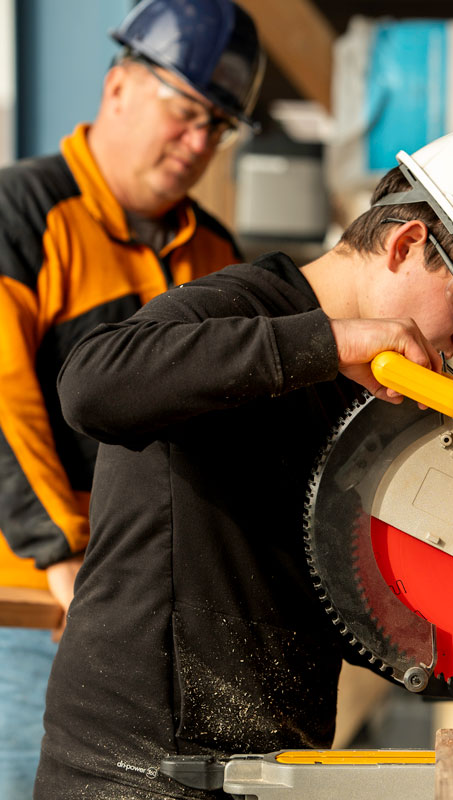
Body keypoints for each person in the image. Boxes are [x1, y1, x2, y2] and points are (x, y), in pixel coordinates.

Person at [36, 125, 453, 799]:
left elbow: (359, 602)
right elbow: (90, 385)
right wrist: (324, 345)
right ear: (408, 244)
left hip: (273, 771)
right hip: (131, 769)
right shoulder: (237, 312)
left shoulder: (393, 403)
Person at [0, 1, 265, 796]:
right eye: (184, 111)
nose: (196, 143)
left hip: (157, 629)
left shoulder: (219, 253)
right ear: (118, 87)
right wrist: (62, 560)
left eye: (216, 126)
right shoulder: (22, 213)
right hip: (29, 611)